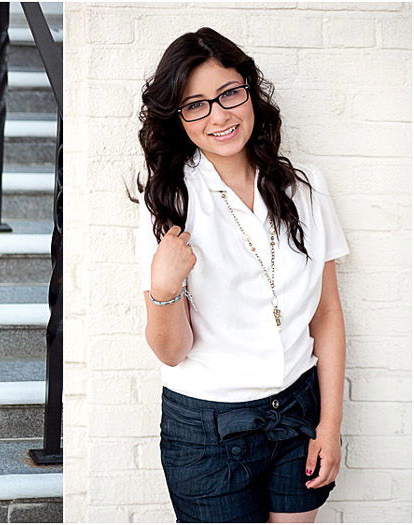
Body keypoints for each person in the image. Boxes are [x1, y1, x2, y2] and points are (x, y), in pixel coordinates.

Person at [136, 28, 348, 523]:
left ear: (250, 91)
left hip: (299, 408)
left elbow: (328, 314)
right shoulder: (168, 201)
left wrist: (330, 424)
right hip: (209, 430)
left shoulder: (305, 187)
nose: (220, 115)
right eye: (196, 105)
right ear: (179, 117)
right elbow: (171, 352)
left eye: (230, 93)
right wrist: (165, 289)